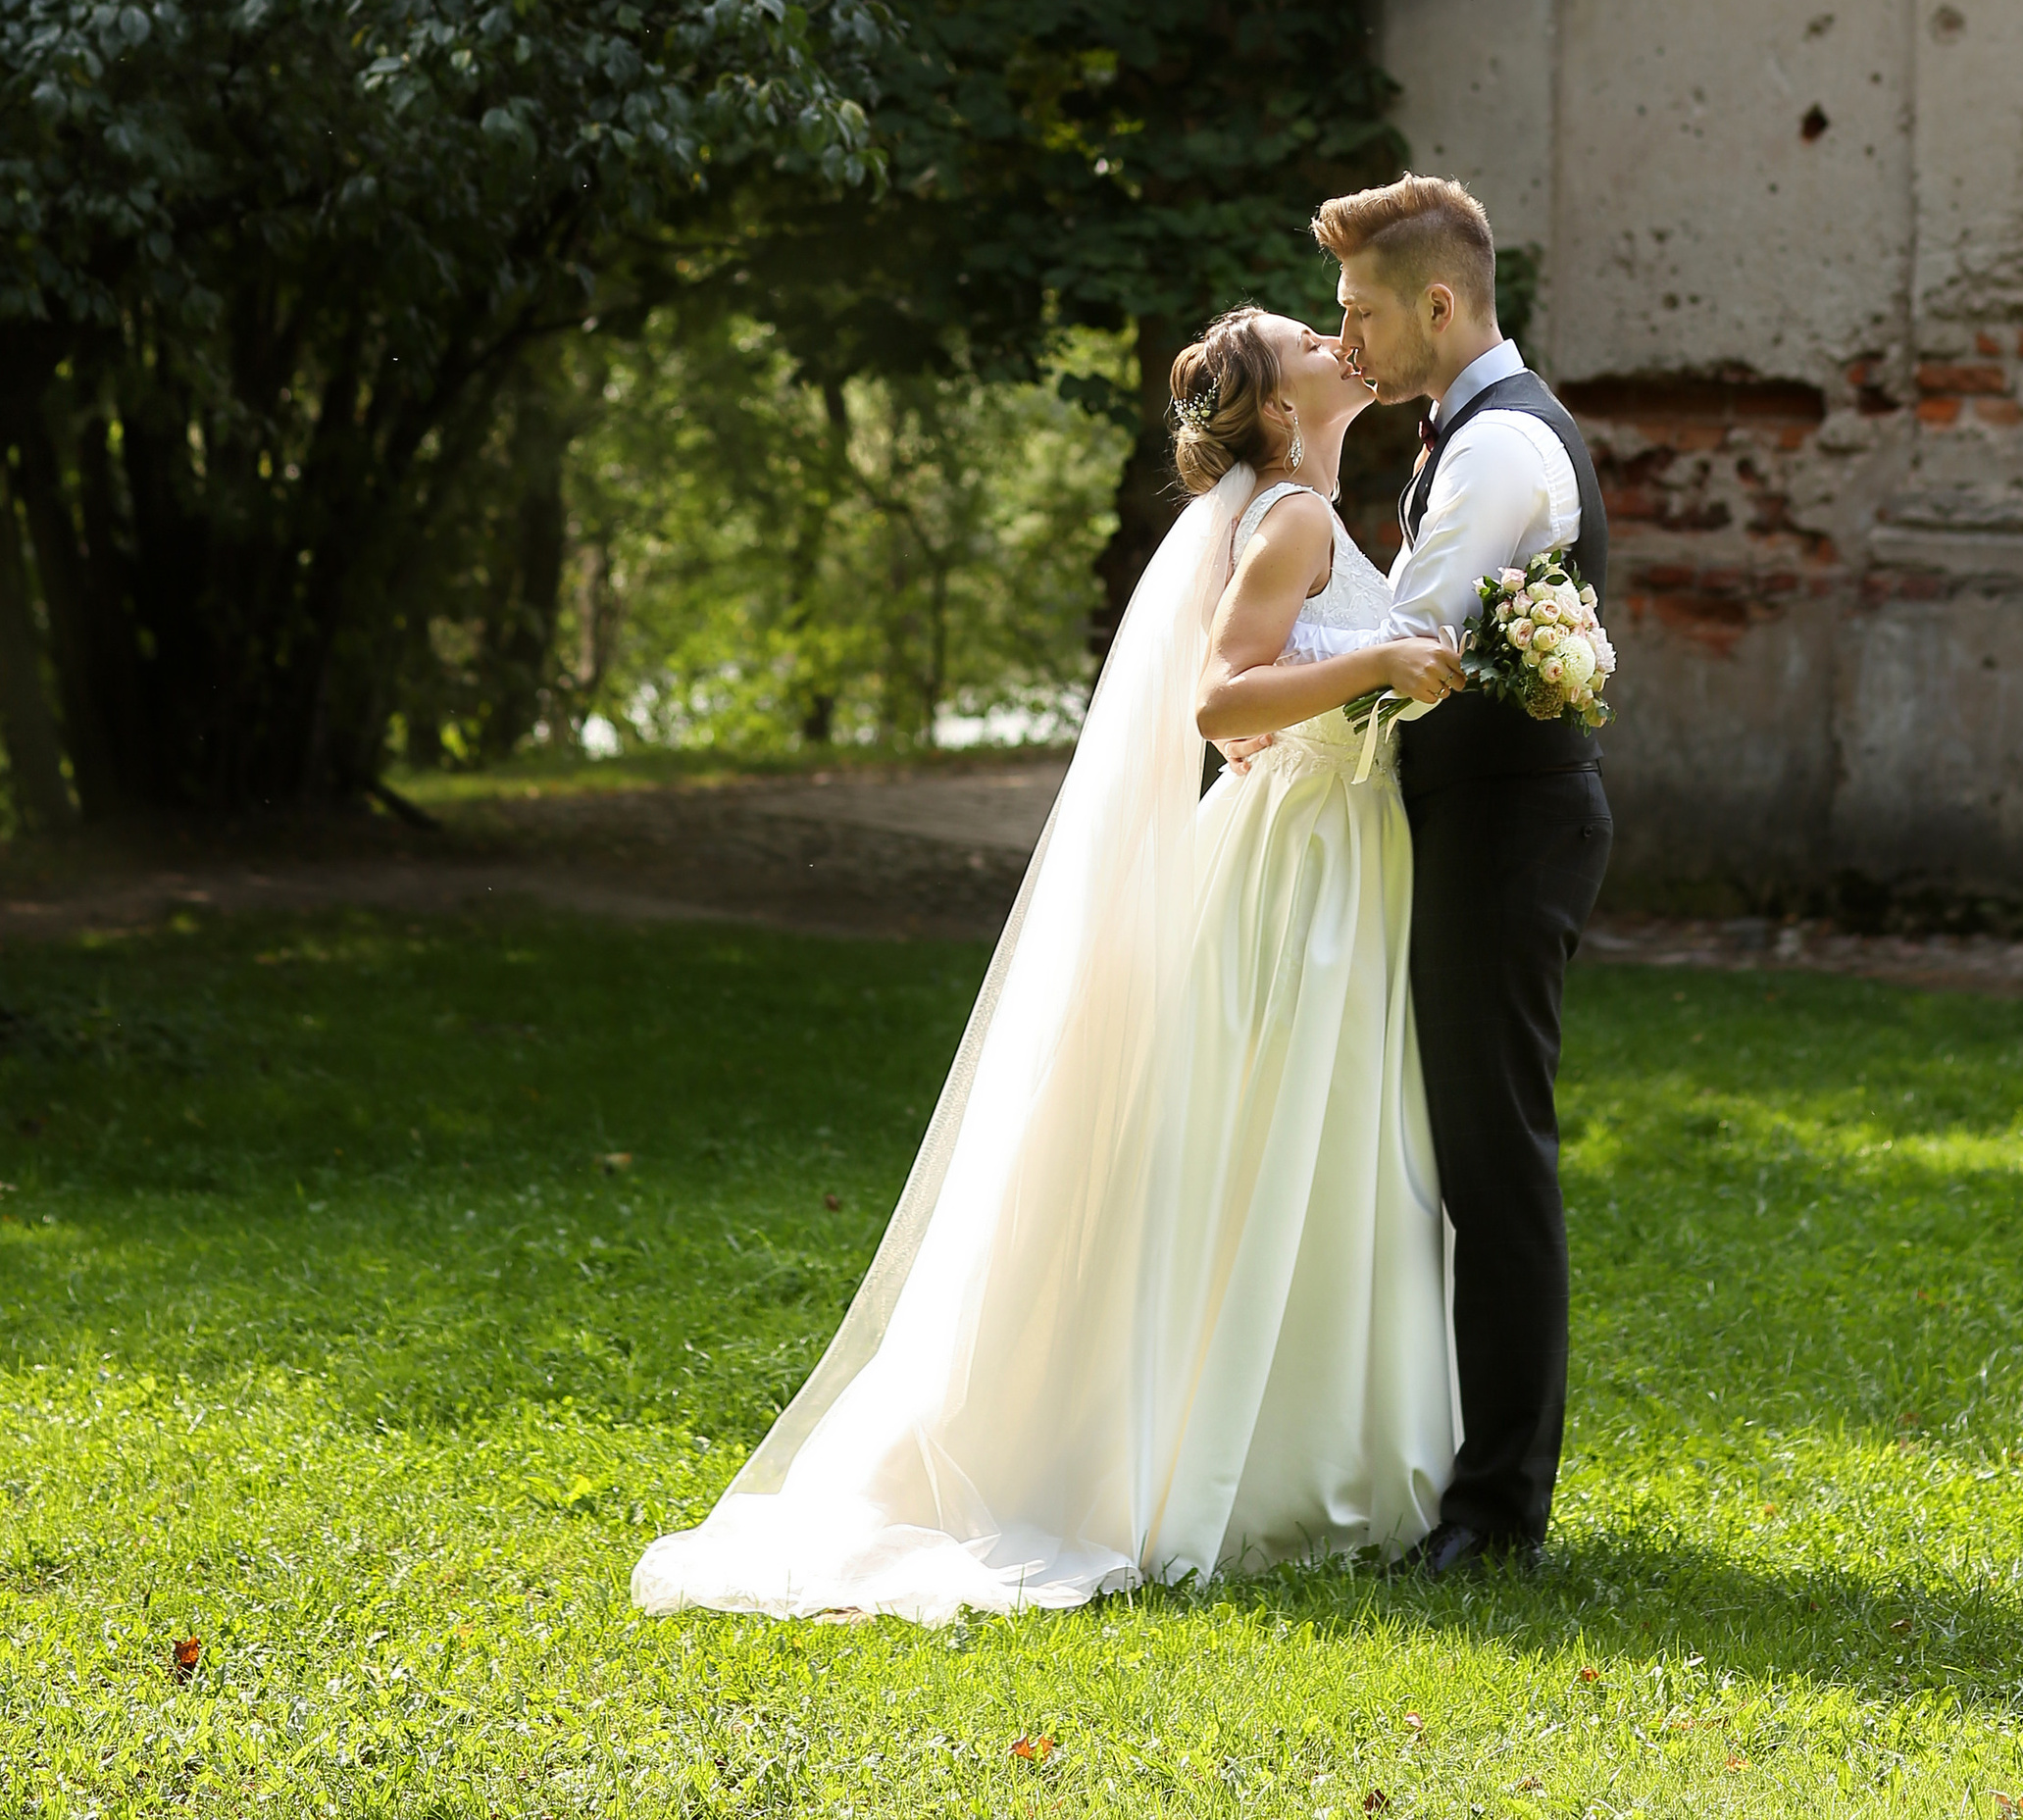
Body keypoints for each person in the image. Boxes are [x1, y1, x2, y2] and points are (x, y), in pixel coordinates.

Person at [631, 307, 1464, 1621]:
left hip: (1327, 854)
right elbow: (1217, 697)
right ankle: (1236, 1459)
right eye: (1314, 332)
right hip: (1294, 867)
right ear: (1276, 399)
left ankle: (1282, 1442)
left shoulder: (1303, 507)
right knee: (1265, 1135)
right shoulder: (1294, 521)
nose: (1339, 337)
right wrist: (1382, 661)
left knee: (1289, 1141)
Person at [1319, 171, 1612, 1581]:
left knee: (1495, 1162)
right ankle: (1454, 1470)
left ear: (1440, 303)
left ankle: (1497, 1514)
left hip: (1506, 832)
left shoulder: (1501, 452)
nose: (1349, 341)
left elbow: (1409, 662)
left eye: (1364, 313)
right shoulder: (1464, 435)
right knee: (1455, 1154)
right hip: (1474, 825)